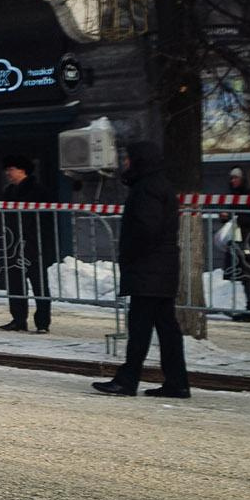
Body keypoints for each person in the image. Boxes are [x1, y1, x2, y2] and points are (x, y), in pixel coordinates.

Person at [94, 141, 189, 398]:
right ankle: (177, 382)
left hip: (149, 267)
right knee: (166, 328)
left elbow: (147, 230)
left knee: (140, 326)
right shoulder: (157, 185)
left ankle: (128, 379)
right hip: (159, 267)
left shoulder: (147, 189)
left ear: (140, 161)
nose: (125, 163)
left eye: (128, 159)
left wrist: (131, 255)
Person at [0, 155, 52, 332]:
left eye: (11, 169)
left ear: (22, 170)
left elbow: (46, 220)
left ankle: (42, 322)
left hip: (35, 244)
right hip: (14, 244)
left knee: (39, 284)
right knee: (15, 283)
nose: (8, 173)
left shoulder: (38, 191)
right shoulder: (9, 191)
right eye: (7, 169)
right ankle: (18, 319)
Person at [219, 167, 250, 321]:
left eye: (236, 178)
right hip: (241, 240)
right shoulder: (235, 196)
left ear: (243, 178)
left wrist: (237, 218)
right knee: (246, 275)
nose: (233, 181)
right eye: (231, 178)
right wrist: (226, 217)